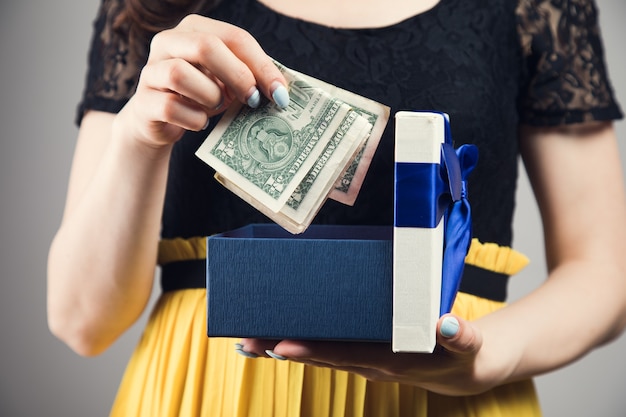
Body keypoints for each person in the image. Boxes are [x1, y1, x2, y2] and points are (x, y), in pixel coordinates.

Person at [47, 0, 626, 415]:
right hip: (211, 392)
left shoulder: (540, 7)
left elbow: (605, 270)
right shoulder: (152, 7)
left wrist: (493, 355)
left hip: (452, 385)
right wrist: (138, 138)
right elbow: (82, 320)